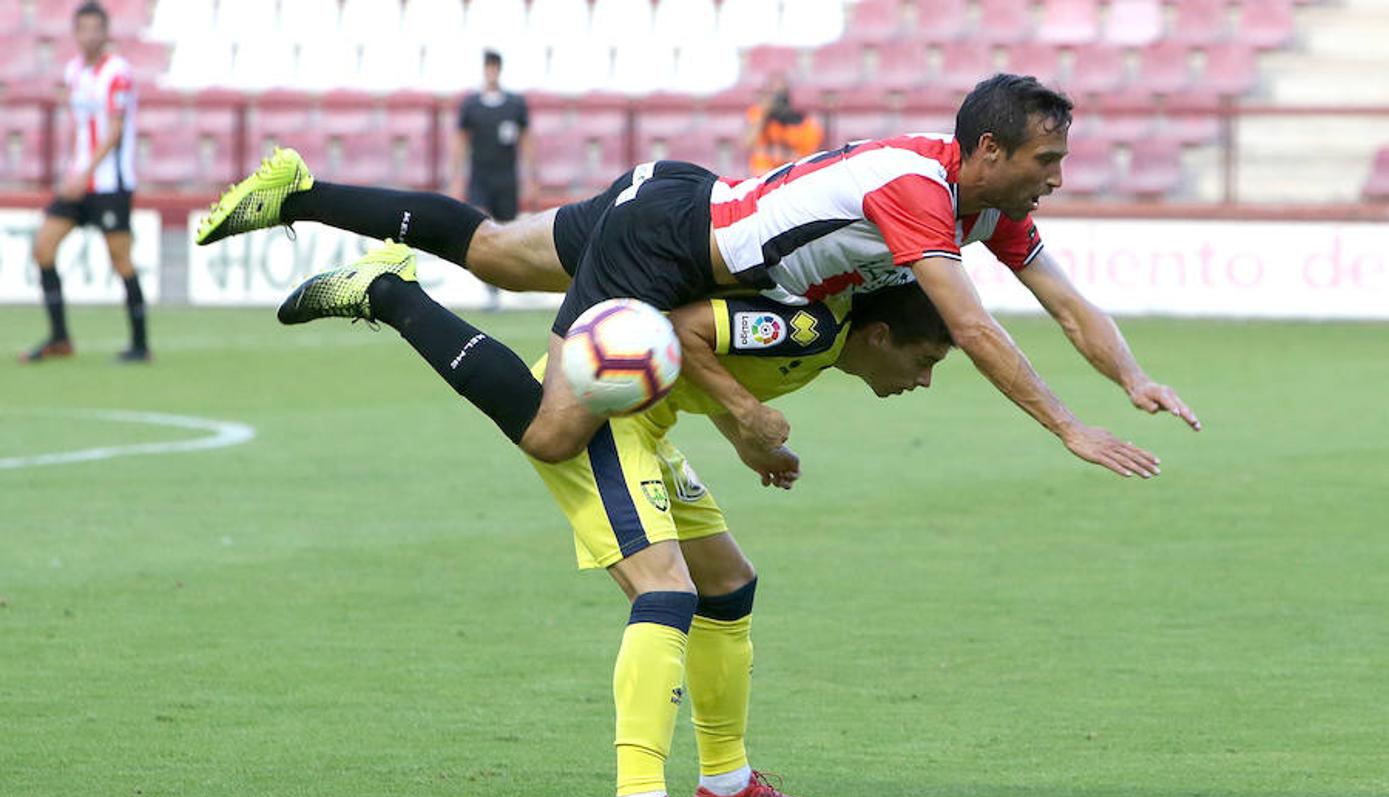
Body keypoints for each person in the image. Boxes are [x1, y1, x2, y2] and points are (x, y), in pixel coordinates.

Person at [277, 238, 954, 797]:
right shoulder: (807, 329)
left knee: (727, 583)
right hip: (606, 413)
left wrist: (742, 440)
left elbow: (708, 360)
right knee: (665, 589)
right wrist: (748, 418)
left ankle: (724, 781)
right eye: (923, 361)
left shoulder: (819, 331)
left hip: (645, 426)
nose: (921, 380)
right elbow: (686, 331)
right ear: (880, 334)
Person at [196, 74, 1198, 478]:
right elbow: (977, 331)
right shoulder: (918, 191)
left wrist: (1132, 380)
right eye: (1043, 163)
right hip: (669, 244)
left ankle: (299, 191)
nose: (1054, 181)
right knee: (553, 432)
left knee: (496, 248)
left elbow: (1067, 298)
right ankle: (386, 290)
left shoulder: (990, 207)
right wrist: (1069, 426)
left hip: (679, 195)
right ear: (985, 151)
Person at [20, 1, 150, 364]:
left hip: (109, 185)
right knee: (43, 248)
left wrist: (85, 174)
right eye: (84, 28)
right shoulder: (74, 71)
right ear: (75, 33)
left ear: (106, 32)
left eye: (97, 28)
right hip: (79, 181)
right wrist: (72, 170)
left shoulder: (118, 73)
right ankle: (60, 338)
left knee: (121, 260)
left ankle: (140, 345)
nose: (90, 35)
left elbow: (114, 132)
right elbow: (81, 130)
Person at [449, 49, 529, 226]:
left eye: (495, 66)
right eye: (488, 66)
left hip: (506, 178)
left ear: (499, 69)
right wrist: (456, 177)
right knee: (478, 224)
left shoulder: (515, 104)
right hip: (480, 177)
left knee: (507, 228)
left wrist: (531, 176)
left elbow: (526, 140)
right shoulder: (471, 104)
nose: (491, 71)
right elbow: (461, 141)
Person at [745, 75, 824, 176]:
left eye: (780, 94)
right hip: (764, 175)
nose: (777, 100)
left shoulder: (805, 123)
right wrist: (764, 114)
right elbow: (749, 143)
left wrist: (785, 155)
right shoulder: (758, 114)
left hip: (791, 175)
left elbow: (809, 158)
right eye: (772, 94)